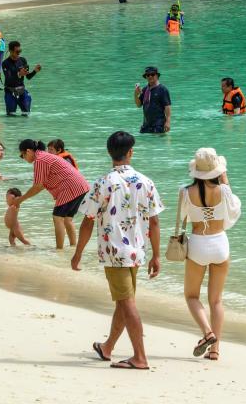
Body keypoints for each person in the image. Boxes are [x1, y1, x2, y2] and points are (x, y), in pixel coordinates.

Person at [72, 131, 163, 370]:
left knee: (126, 303)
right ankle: (108, 347)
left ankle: (140, 357)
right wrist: (156, 255)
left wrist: (78, 252)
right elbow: (154, 222)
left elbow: (88, 220)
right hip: (137, 251)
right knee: (124, 302)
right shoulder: (146, 181)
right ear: (130, 152)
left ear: (109, 153)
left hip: (114, 252)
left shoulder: (103, 182)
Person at [179, 148, 241, 361]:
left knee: (191, 296)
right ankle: (215, 351)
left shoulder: (185, 191)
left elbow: (182, 219)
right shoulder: (223, 191)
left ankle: (207, 333)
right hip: (219, 243)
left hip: (198, 244)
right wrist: (225, 179)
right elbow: (234, 210)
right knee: (216, 301)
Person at [13, 139, 90, 249]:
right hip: (81, 186)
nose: (23, 159)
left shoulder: (40, 160)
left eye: (22, 155)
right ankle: (73, 247)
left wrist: (20, 199)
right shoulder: (44, 156)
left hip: (70, 187)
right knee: (67, 219)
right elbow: (43, 184)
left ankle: (59, 250)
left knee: (57, 217)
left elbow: (38, 186)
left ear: (28, 151)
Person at [1, 41, 41, 116]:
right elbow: (8, 79)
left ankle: (24, 128)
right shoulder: (5, 63)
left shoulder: (23, 60)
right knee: (11, 115)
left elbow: (28, 77)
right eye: (17, 51)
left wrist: (35, 71)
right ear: (10, 51)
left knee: (26, 114)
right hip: (10, 91)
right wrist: (19, 74)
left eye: (20, 51)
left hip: (21, 91)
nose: (19, 53)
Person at [134, 66, 171, 133]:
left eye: (152, 74)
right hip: (146, 125)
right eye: (148, 75)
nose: (150, 76)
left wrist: (168, 122)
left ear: (157, 75)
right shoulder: (145, 89)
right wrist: (136, 94)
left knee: (158, 143)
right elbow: (139, 105)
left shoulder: (162, 89)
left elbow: (167, 106)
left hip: (158, 125)